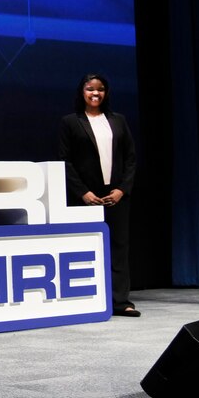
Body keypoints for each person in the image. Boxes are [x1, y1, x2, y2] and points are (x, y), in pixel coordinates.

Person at [58, 73, 140, 317]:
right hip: (85, 196)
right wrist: (83, 192)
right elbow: (65, 161)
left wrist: (122, 189)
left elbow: (131, 159)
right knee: (85, 247)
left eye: (101, 89)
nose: (96, 93)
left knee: (119, 247)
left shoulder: (118, 121)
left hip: (115, 195)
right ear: (81, 92)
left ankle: (120, 301)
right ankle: (86, 299)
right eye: (90, 89)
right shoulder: (70, 122)